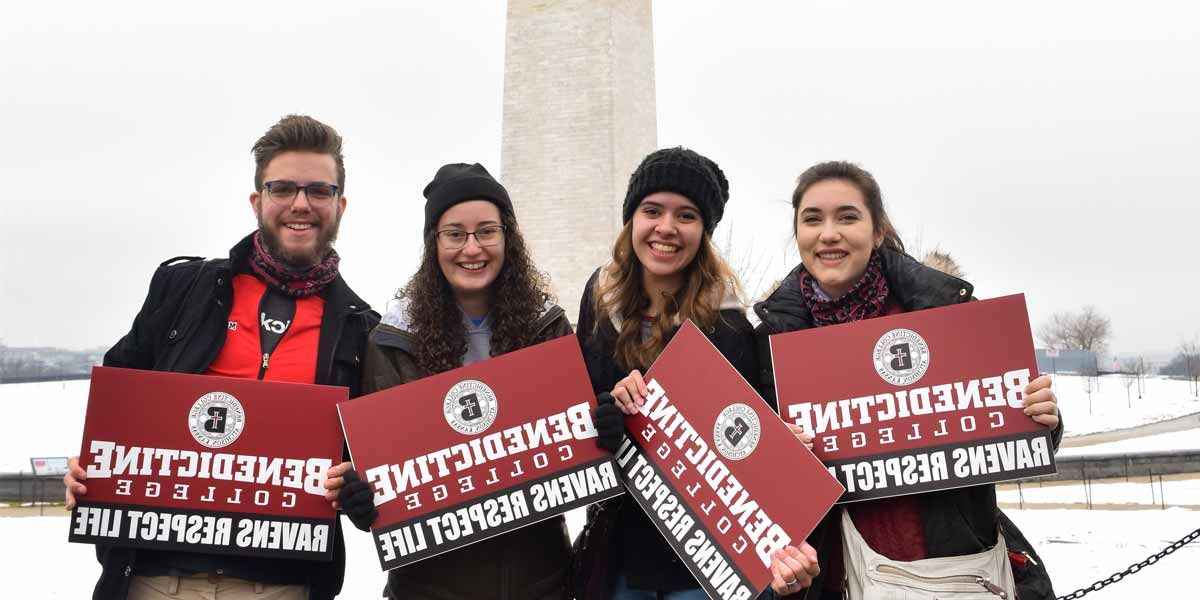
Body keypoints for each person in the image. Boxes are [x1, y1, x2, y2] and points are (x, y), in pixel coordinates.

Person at [62, 114, 379, 600]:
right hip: (154, 581)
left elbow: (375, 474)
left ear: (340, 205)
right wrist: (87, 468)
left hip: (281, 586)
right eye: (283, 189)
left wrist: (359, 486)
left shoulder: (361, 330)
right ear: (258, 202)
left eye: (318, 190)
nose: (300, 204)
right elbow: (115, 408)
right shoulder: (183, 290)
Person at [753, 161, 1061, 599]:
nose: (828, 234)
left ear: (877, 230)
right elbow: (752, 474)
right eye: (812, 219)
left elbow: (1018, 439)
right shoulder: (768, 340)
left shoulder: (946, 315)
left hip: (953, 569)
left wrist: (1042, 416)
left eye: (847, 216)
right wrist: (775, 450)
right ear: (797, 233)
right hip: (836, 575)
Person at [574, 147, 819, 600]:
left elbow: (747, 443)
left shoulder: (731, 326)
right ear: (632, 220)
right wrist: (606, 411)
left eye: (685, 215)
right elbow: (577, 412)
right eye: (652, 211)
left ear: (704, 231)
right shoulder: (598, 306)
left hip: (710, 569)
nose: (666, 228)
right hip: (621, 558)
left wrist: (781, 442)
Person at [331, 163, 574, 599]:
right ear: (434, 243)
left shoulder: (549, 329)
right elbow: (378, 474)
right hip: (428, 587)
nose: (472, 248)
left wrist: (602, 427)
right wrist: (361, 501)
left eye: (486, 231)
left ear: (508, 238)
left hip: (538, 582)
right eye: (455, 234)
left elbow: (577, 449)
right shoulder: (392, 342)